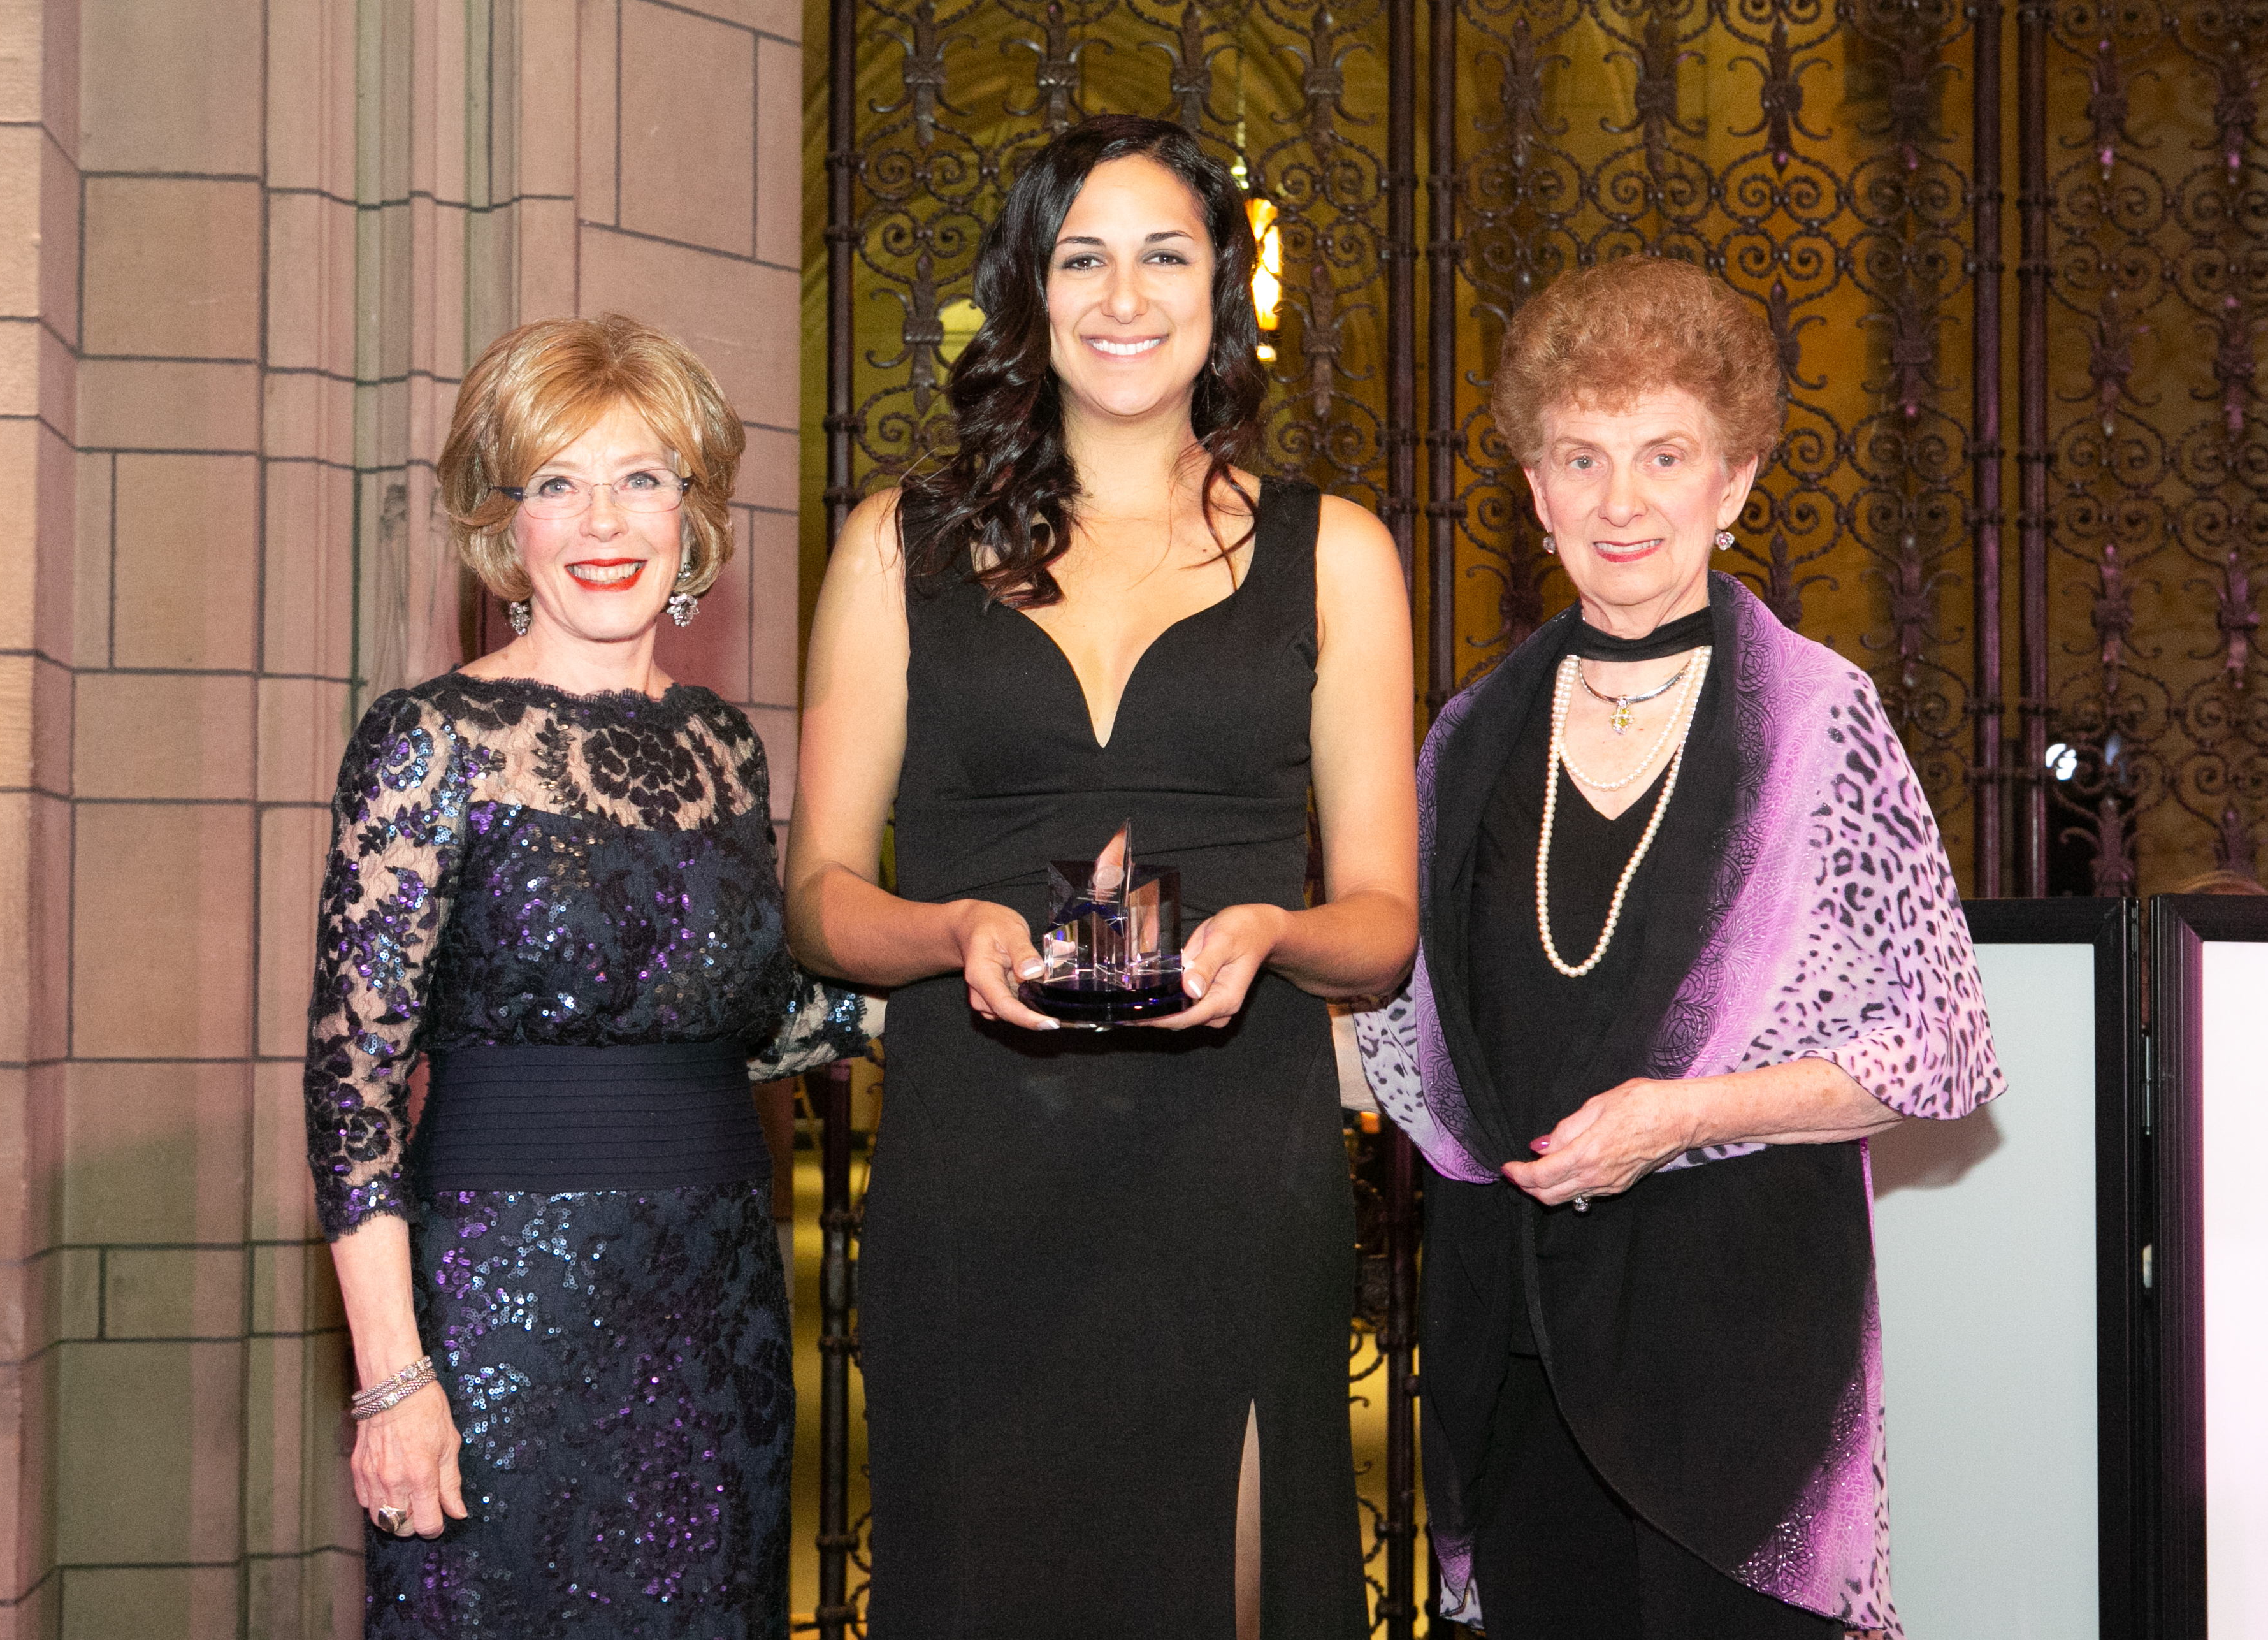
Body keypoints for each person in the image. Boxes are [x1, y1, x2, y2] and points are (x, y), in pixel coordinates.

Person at [786, 115, 1417, 1638]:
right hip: (979, 1161)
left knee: (1242, 1593)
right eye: (1083, 258)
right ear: (1031, 291)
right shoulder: (897, 545)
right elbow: (815, 890)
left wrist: (1272, 933)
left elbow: (1382, 929)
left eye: (1163, 255)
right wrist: (944, 930)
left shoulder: (1334, 554)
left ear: (1226, 292)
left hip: (1232, 1165)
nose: (1123, 297)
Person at [1355, 255, 2005, 1639]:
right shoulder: (1467, 738)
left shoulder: (1819, 721)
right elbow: (1405, 1034)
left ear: (1736, 482)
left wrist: (1684, 1116)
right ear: (1534, 493)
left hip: (1743, 1358)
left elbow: (1946, 1045)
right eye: (1579, 459)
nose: (1620, 500)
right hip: (1515, 1342)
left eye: (1665, 455)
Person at [303, 313, 870, 1637]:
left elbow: (748, 1016)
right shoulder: (431, 744)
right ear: (507, 527)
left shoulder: (725, 747)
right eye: (557, 483)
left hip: (719, 1307)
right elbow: (354, 1089)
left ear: (694, 512)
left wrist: (948, 962)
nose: (603, 522)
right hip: (506, 1310)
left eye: (643, 479)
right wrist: (394, 1379)